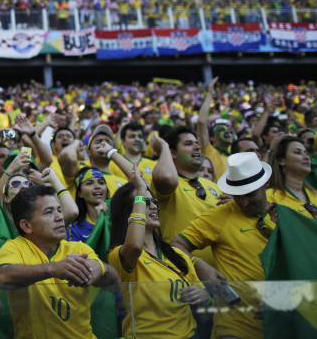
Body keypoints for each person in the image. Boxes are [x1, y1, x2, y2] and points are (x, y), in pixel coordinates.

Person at [172, 151, 275, 339]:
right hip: (233, 329)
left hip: (280, 326)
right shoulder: (219, 216)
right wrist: (197, 264)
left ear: (265, 184)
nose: (243, 202)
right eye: (237, 195)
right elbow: (175, 245)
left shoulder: (284, 216)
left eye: (249, 194)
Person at [0, 184, 116, 339]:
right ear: (26, 226)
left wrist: (100, 268)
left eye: (59, 210)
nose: (60, 217)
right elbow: (3, 276)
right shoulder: (14, 247)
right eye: (49, 212)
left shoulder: (78, 248)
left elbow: (114, 280)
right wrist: (53, 269)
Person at [108, 168, 208, 338]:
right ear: (129, 212)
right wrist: (141, 190)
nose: (154, 206)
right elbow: (134, 246)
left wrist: (204, 296)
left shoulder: (178, 255)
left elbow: (206, 314)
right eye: (145, 203)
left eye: (154, 201)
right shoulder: (119, 254)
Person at [152, 127, 225, 264]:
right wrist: (164, 147)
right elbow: (166, 176)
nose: (197, 147)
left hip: (219, 275)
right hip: (182, 273)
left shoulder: (214, 186)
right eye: (188, 144)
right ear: (172, 153)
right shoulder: (171, 184)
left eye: (197, 143)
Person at [265, 136, 317, 218]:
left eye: (306, 153)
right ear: (281, 160)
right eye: (298, 152)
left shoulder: (314, 194)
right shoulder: (270, 198)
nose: (307, 157)